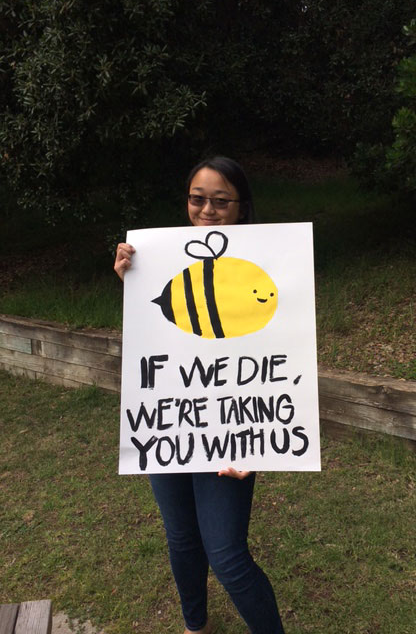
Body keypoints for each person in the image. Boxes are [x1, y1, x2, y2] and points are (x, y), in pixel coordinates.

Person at [114, 156, 285, 634]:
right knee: (182, 538)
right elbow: (158, 338)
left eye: (220, 200)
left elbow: (280, 357)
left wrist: (260, 440)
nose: (206, 209)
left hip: (231, 430)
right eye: (197, 198)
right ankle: (196, 626)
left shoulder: (271, 263)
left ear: (241, 206)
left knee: (227, 555)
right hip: (170, 423)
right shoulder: (164, 257)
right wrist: (131, 279)